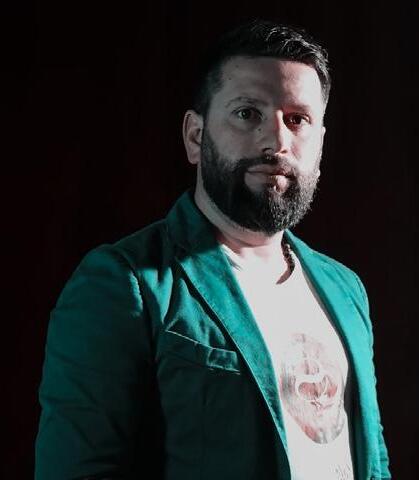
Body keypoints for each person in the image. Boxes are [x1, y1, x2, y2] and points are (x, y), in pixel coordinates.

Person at [35, 19, 391, 480]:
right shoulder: (125, 283)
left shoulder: (346, 290)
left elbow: (373, 460)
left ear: (319, 144)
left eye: (297, 119)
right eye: (248, 113)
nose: (277, 140)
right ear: (195, 136)